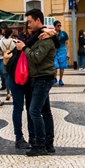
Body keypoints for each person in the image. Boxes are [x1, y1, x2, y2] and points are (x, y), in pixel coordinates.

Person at [18, 9, 56, 156]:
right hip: (39, 78)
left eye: (30, 21)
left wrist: (24, 48)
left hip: (43, 78)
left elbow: (36, 57)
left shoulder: (45, 38)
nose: (28, 24)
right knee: (45, 112)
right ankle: (48, 144)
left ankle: (40, 144)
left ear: (38, 21)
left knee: (34, 111)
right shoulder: (39, 36)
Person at [52, 20, 69, 86]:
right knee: (55, 66)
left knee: (62, 67)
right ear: (55, 26)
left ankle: (61, 79)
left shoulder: (64, 33)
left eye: (60, 25)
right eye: (58, 26)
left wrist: (68, 52)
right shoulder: (52, 33)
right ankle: (55, 78)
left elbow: (67, 43)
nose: (59, 27)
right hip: (54, 51)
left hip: (62, 51)